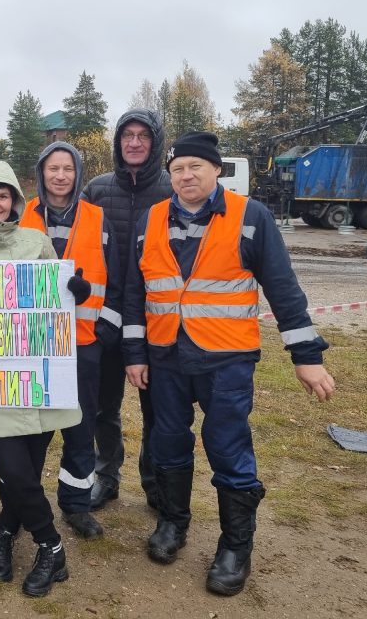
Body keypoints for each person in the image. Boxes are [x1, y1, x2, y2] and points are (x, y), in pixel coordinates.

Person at [122, 131, 335, 597]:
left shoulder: (250, 217)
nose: (186, 176)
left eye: (196, 167)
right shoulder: (152, 218)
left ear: (217, 170)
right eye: (177, 169)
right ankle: (174, 524)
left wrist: (307, 357)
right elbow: (136, 293)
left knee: (228, 447)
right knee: (168, 444)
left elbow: (283, 288)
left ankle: (236, 546)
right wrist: (134, 354)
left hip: (226, 361)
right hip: (165, 359)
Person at [0, 160, 90, 598]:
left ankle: (5, 532)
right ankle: (51, 545)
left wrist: (73, 291)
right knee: (13, 470)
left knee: (23, 473)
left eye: (2, 195)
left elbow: (57, 296)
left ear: (14, 202)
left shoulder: (37, 240)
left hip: (41, 380)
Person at [21, 142, 121, 540]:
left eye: (67, 168)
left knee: (80, 426)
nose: (59, 175)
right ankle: (27, 502)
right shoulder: (21, 215)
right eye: (52, 168)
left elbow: (118, 277)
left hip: (83, 342)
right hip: (32, 342)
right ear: (41, 173)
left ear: (77, 173)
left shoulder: (99, 218)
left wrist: (107, 325)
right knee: (33, 428)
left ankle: (76, 503)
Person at [81, 109, 173, 511]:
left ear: (155, 143)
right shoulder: (97, 191)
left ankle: (154, 479)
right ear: (118, 143)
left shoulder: (173, 191)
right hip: (105, 318)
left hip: (156, 319)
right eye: (127, 136)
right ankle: (106, 473)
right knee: (104, 406)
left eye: (142, 136)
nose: (134, 143)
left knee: (158, 408)